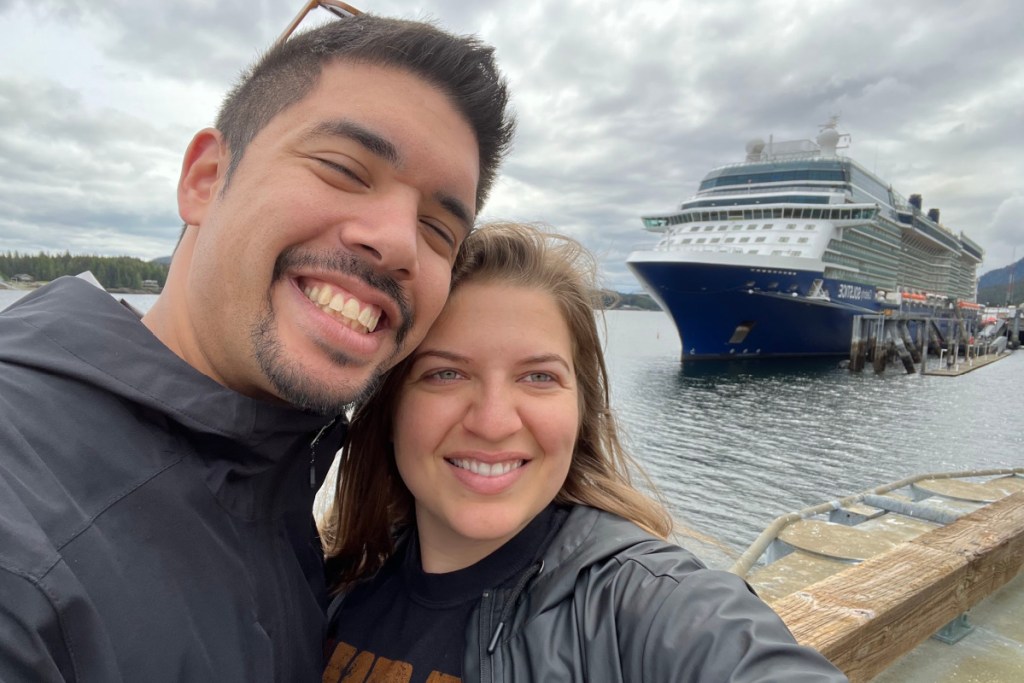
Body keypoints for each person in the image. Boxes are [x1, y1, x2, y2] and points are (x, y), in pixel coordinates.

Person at [0, 3, 514, 681]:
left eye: (439, 230)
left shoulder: (271, 476)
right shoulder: (25, 530)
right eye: (344, 168)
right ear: (205, 180)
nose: (396, 243)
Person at [320, 222, 848, 682]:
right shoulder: (333, 583)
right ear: (389, 408)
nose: (494, 421)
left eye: (539, 376)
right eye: (446, 373)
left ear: (580, 409)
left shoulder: (645, 606)